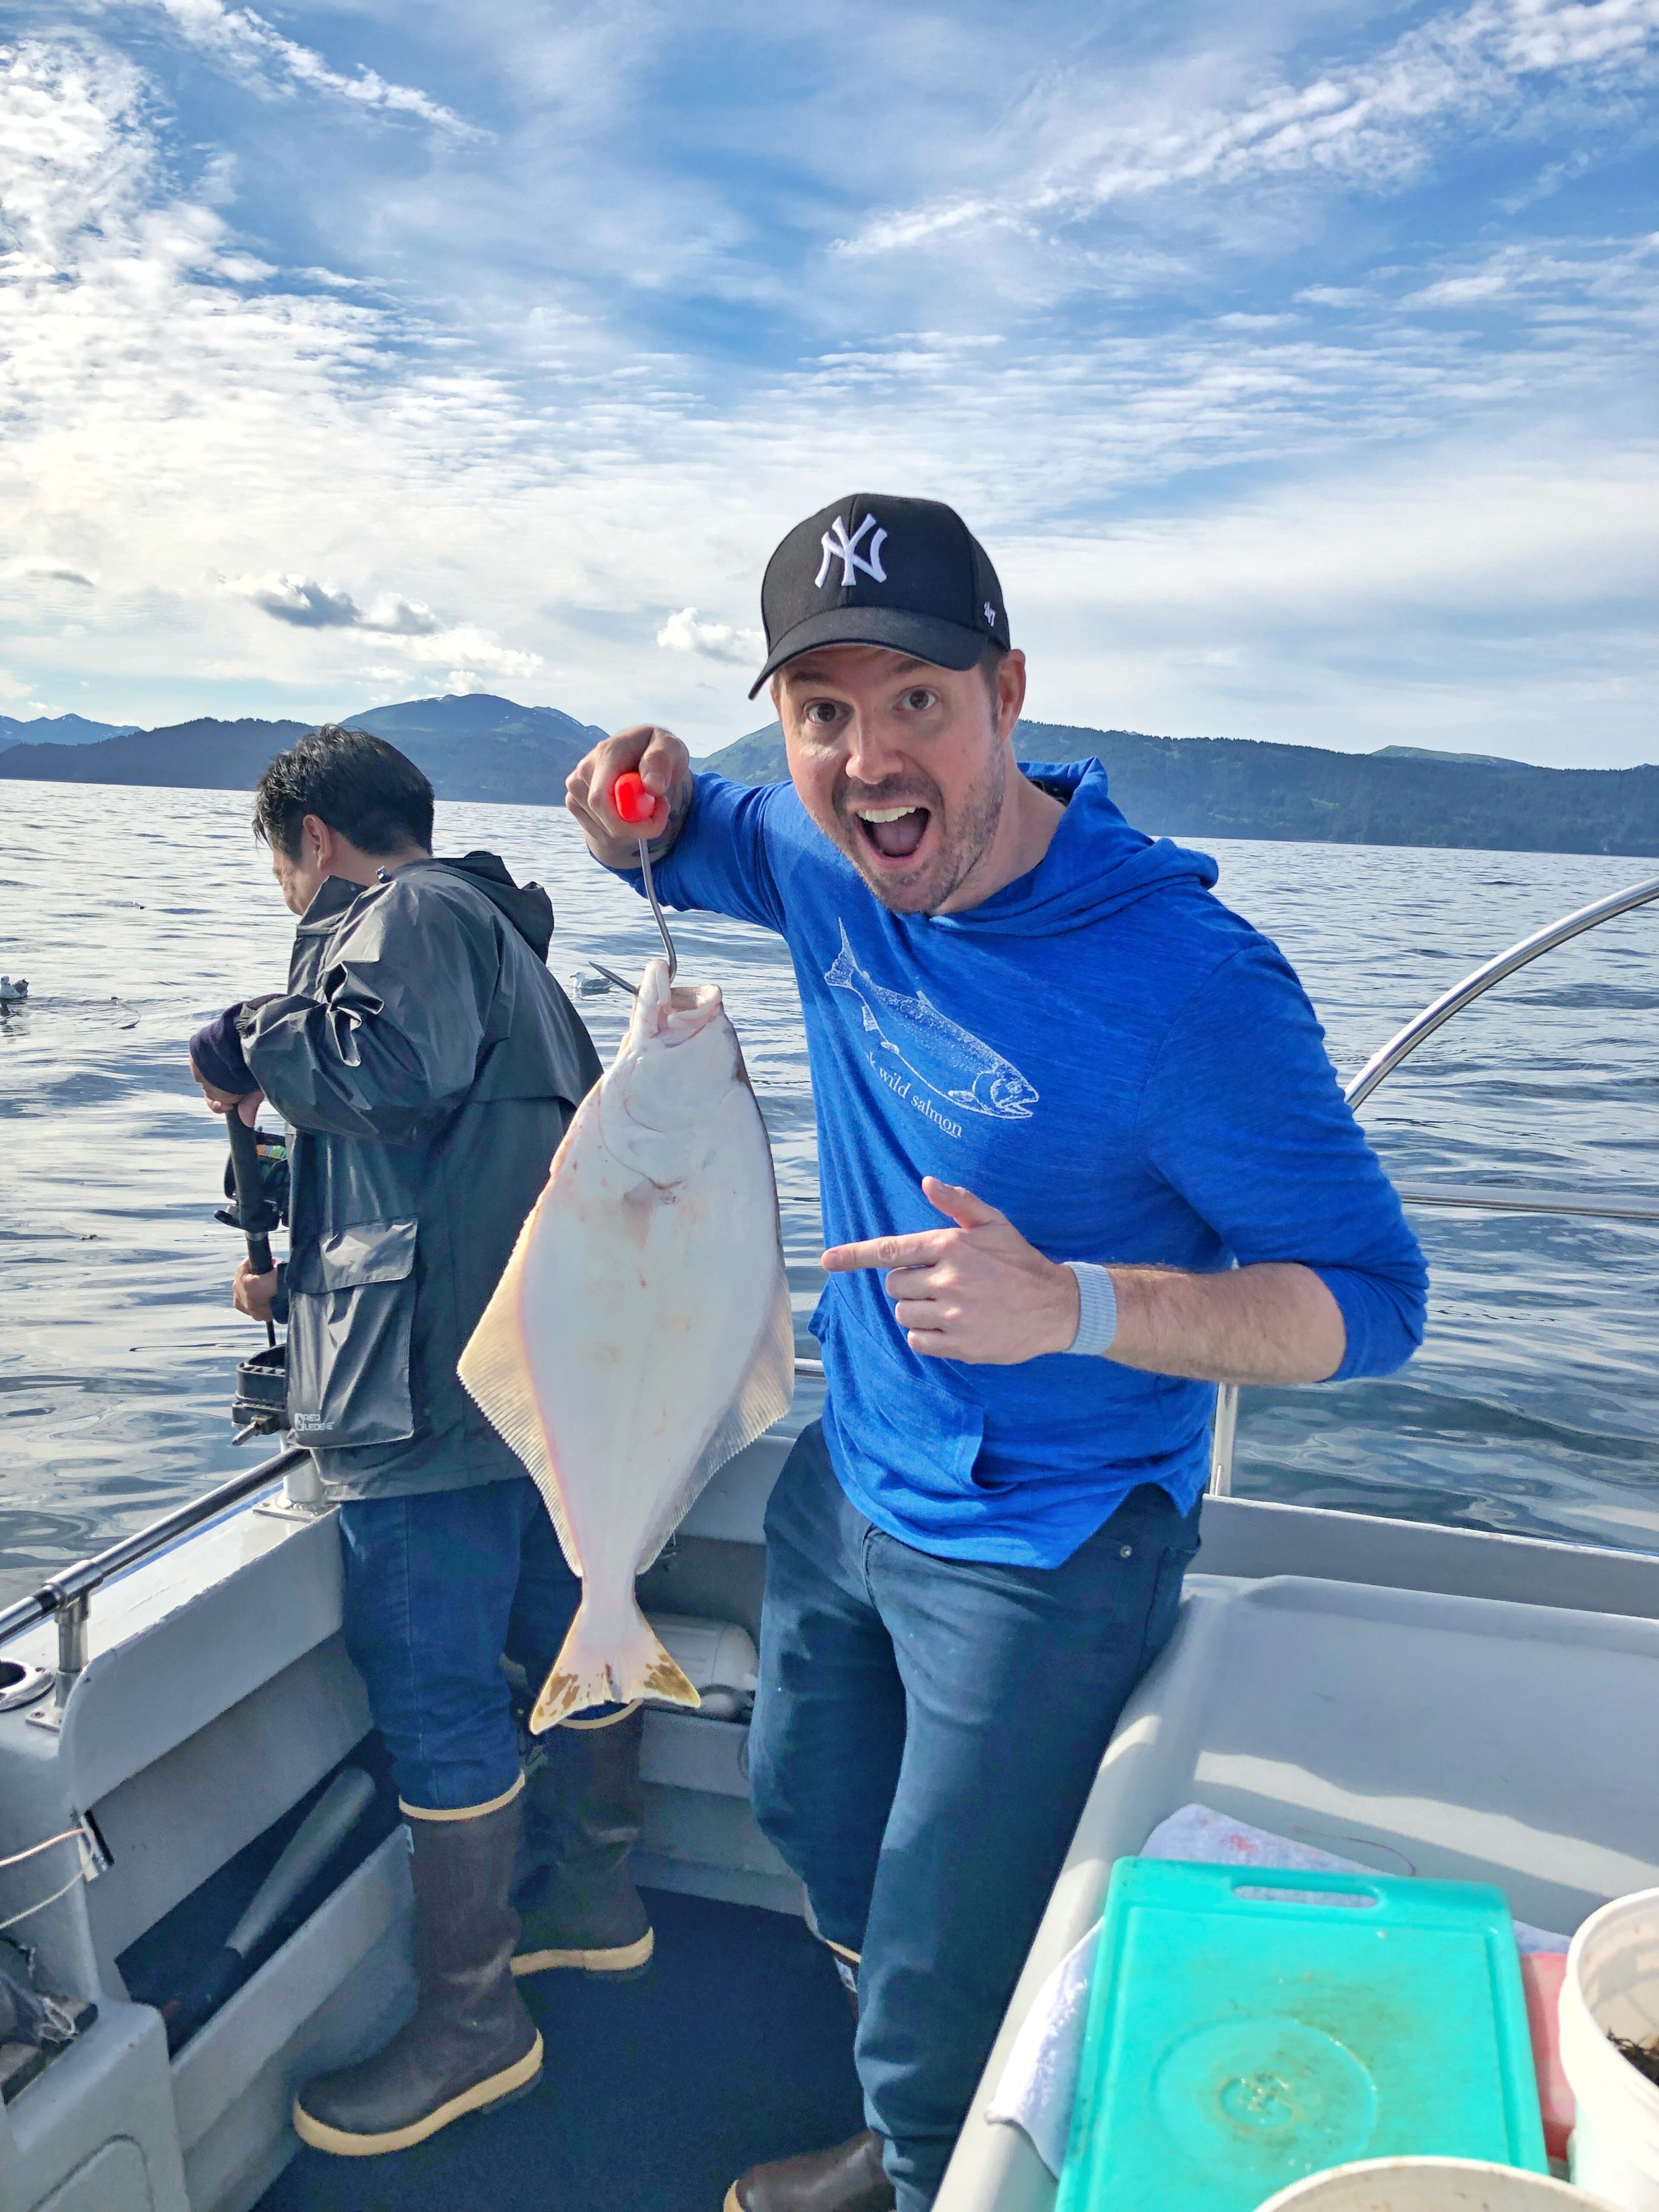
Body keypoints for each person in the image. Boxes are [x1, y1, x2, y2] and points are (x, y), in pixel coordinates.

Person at [566, 495, 1429, 2212]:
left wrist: (1081, 1304)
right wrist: (615, 801)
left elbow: (1373, 1300)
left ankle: (922, 2149)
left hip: (1053, 1540)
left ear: (1009, 694)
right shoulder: (820, 856)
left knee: (942, 1971)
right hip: (852, 1478)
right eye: (823, 711)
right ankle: (907, 2131)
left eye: (918, 701)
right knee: (804, 1810)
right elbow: (661, 829)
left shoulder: (1191, 987)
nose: (870, 758)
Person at [188, 725, 652, 2161]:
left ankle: (472, 2023)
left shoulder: (403, 915)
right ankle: (594, 1902)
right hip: (524, 1395)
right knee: (564, 1648)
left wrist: (244, 1037)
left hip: (422, 1412)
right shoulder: (511, 949)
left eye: (284, 869)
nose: (290, 895)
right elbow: (445, 1156)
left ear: (316, 840)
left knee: (439, 1698)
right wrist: (297, 1264)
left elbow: (391, 1072)